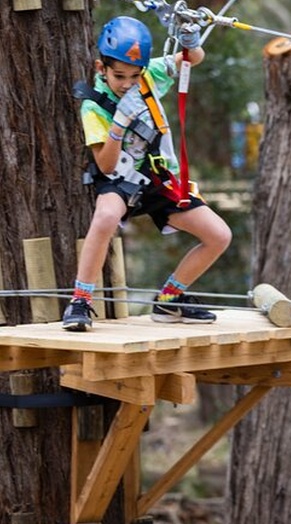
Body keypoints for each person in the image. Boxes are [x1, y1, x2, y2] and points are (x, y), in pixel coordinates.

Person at [62, 16, 232, 331]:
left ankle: (168, 300)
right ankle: (80, 301)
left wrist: (191, 41)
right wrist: (118, 125)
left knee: (219, 235)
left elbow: (191, 59)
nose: (127, 83)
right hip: (119, 180)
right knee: (105, 217)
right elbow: (106, 166)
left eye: (133, 75)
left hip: (159, 179)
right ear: (101, 68)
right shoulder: (93, 107)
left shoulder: (150, 74)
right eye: (119, 76)